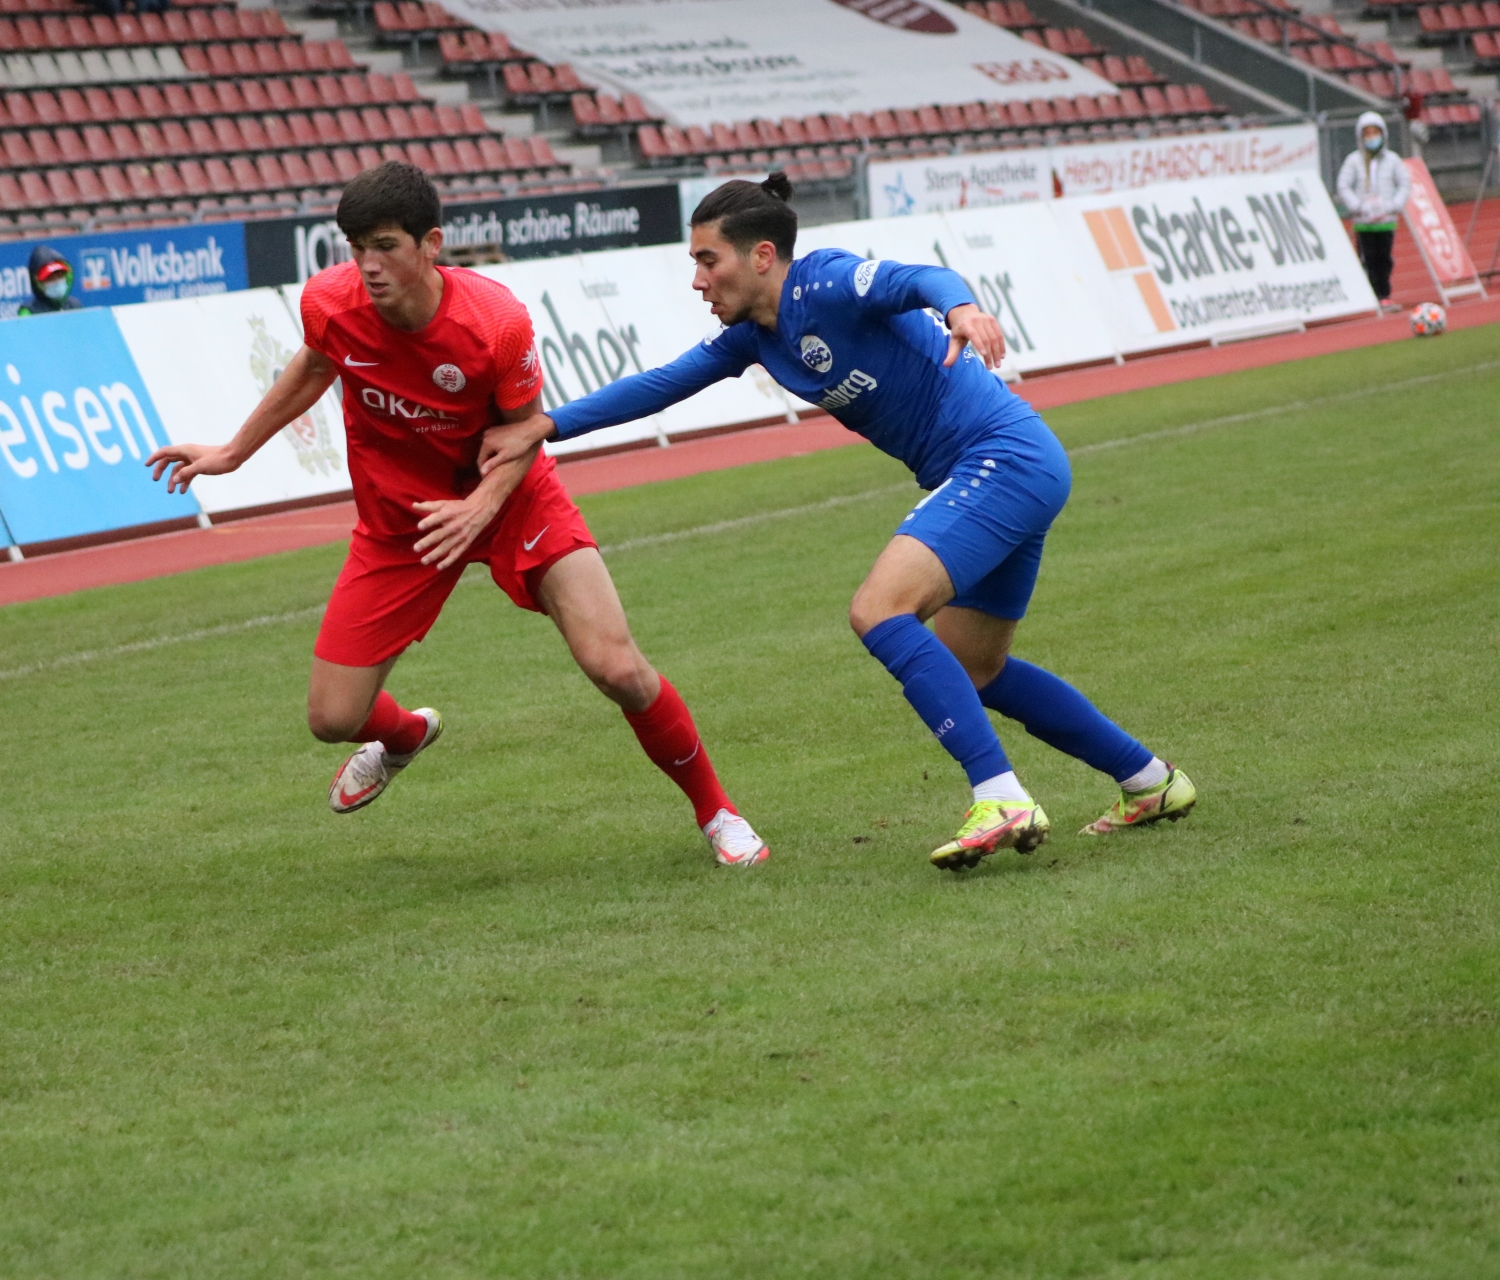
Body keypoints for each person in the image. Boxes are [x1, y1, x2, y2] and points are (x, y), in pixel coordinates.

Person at [479, 174, 1195, 871]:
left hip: (1001, 459)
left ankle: (999, 797)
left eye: (707, 259)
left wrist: (962, 309)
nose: (697, 279)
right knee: (974, 667)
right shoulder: (754, 336)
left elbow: (920, 277)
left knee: (878, 610)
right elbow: (659, 385)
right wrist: (545, 425)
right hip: (1004, 469)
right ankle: (1147, 779)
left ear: (762, 256)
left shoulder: (825, 281)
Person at [144, 162, 770, 867]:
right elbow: (318, 365)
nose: (368, 266)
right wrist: (233, 452)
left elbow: (522, 436)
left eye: (385, 245)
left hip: (513, 500)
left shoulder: (495, 325)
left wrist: (481, 506)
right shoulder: (328, 302)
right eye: (356, 248)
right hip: (401, 524)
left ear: (430, 243)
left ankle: (718, 812)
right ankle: (405, 735)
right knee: (332, 719)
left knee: (616, 667)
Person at [1335, 110, 1412, 308]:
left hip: (1386, 221)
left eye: (1374, 132)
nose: (1371, 137)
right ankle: (1371, 294)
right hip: (1364, 223)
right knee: (1367, 259)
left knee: (1384, 258)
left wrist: (1393, 206)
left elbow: (1404, 184)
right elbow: (1343, 185)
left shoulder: (1393, 160)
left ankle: (1384, 294)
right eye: (1366, 133)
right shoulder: (1354, 160)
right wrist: (1357, 206)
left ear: (1383, 134)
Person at [17, 245, 81, 316]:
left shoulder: (75, 306)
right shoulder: (28, 311)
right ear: (38, 284)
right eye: (50, 278)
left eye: (60, 276)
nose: (57, 281)